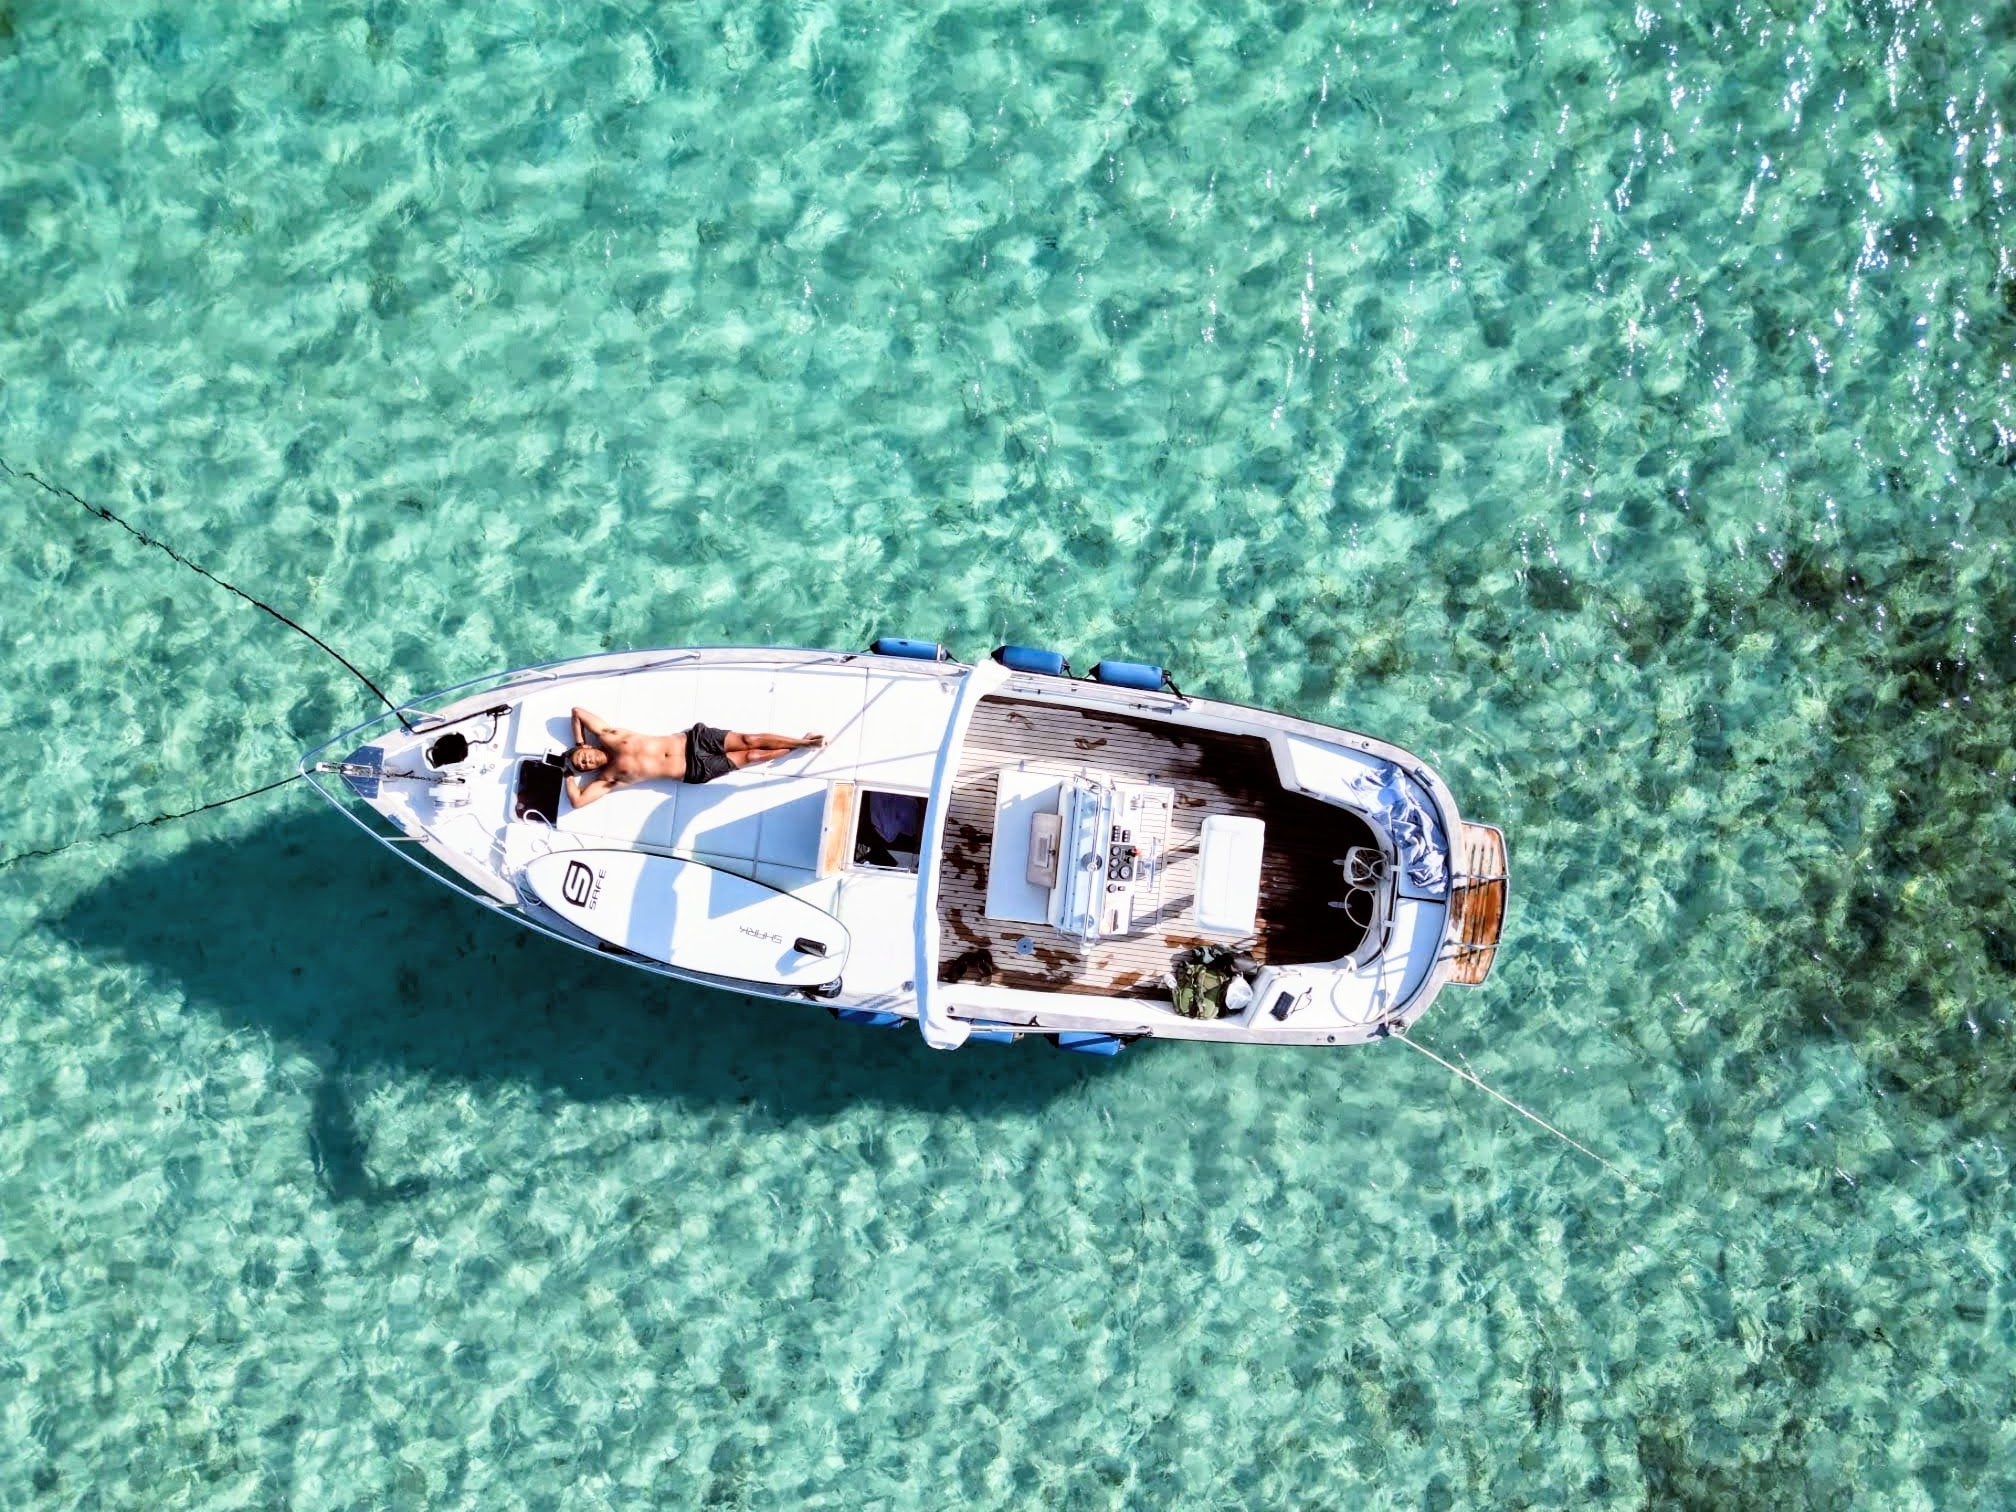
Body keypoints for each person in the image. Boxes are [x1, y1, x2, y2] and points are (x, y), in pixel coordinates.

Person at [562, 707, 824, 809]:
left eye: (583, 757)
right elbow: (577, 801)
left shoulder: (609, 735)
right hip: (693, 769)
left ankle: (805, 742)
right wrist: (567, 772)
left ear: (587, 747)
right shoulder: (608, 778)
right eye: (584, 766)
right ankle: (796, 747)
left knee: (750, 740)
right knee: (753, 755)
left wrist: (578, 742)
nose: (588, 762)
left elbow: (577, 712)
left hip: (694, 740)